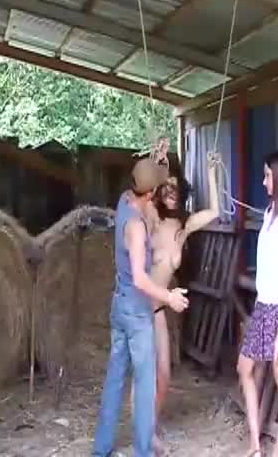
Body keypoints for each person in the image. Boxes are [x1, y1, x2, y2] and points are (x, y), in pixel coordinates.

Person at [92, 158, 190, 457]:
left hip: (119, 305)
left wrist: (158, 162)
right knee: (145, 385)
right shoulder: (135, 228)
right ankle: (144, 452)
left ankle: (102, 448)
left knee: (115, 378)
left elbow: (143, 184)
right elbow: (140, 278)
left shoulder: (125, 201)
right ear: (150, 194)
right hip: (136, 312)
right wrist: (169, 297)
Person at [145, 154, 221, 436]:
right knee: (145, 375)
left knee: (164, 375)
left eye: (175, 189)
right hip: (140, 307)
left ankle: (150, 425)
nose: (170, 193)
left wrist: (212, 173)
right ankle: (145, 434)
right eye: (166, 188)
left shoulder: (184, 227)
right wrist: (156, 161)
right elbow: (141, 193)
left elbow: (215, 212)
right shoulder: (152, 219)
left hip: (158, 309)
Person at [237, 149, 278, 457]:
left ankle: (277, 452)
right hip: (264, 305)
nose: (264, 181)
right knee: (244, 368)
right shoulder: (269, 214)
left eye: (267, 175)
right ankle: (255, 444)